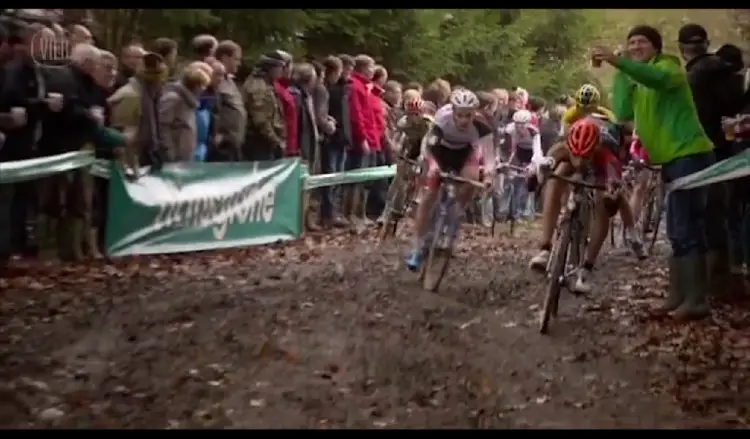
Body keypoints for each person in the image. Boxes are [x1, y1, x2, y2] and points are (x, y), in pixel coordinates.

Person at [597, 24, 715, 320]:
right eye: (631, 42)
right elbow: (622, 112)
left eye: (642, 42)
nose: (635, 46)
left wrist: (619, 61)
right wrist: (622, 72)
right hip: (671, 159)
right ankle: (678, 296)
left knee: (685, 226)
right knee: (678, 229)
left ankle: (696, 299)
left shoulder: (670, 69)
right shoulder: (638, 78)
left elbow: (657, 79)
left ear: (656, 47)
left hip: (690, 154)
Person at [530, 118, 640, 294]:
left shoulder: (606, 154)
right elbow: (544, 168)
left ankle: (586, 268)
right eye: (576, 155)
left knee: (602, 204)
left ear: (595, 148)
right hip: (571, 153)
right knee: (556, 177)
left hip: (601, 167)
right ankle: (545, 247)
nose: (580, 162)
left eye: (585, 156)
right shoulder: (562, 147)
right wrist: (538, 176)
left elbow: (613, 184)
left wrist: (611, 192)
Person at [678, 24, 746, 292]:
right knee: (729, 212)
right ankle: (733, 274)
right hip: (731, 150)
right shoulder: (731, 73)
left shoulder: (692, 78)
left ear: (683, 49)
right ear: (706, 44)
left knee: (702, 215)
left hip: (699, 149)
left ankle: (710, 282)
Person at [404, 90, 490, 271]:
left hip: (465, 154)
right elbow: (428, 147)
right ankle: (418, 248)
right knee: (429, 196)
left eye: (469, 115)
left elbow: (489, 157)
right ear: (453, 112)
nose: (464, 120)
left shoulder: (482, 125)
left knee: (471, 179)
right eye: (460, 115)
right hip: (439, 151)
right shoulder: (442, 119)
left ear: (475, 113)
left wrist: (489, 177)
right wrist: (433, 165)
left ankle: (456, 214)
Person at [158, 63, 211, 162]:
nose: (204, 89)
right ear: (195, 85)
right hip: (174, 158)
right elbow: (162, 128)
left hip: (185, 156)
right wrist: (170, 153)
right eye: (202, 85)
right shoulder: (173, 99)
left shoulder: (188, 102)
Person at [320, 55, 349, 228]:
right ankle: (328, 213)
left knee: (338, 176)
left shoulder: (341, 89)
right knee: (330, 176)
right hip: (331, 138)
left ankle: (335, 211)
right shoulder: (326, 90)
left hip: (341, 137)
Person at [241, 52, 286, 161]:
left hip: (265, 141)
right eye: (280, 67)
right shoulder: (258, 86)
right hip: (259, 142)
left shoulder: (266, 83)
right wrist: (276, 141)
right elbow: (261, 120)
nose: (282, 70)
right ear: (271, 68)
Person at [210, 40, 246, 162]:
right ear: (225, 58)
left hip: (234, 141)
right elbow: (212, 108)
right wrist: (218, 134)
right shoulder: (215, 79)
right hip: (223, 144)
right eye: (236, 59)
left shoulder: (230, 80)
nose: (239, 63)